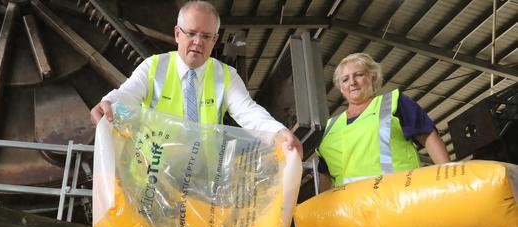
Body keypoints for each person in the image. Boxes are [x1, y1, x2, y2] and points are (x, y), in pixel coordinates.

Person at [89, 0, 303, 156]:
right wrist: (108, 103)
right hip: (153, 179)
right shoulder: (154, 66)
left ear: (215, 40)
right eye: (191, 33)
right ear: (177, 34)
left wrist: (280, 133)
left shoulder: (226, 76)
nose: (198, 42)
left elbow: (248, 112)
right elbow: (128, 93)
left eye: (206, 36)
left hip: (202, 182)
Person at [316, 52, 449, 192]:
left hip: (397, 198)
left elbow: (428, 136)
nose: (352, 82)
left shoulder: (393, 103)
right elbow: (325, 173)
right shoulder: (331, 126)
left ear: (373, 78)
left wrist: (449, 178)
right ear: (342, 89)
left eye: (359, 75)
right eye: (345, 79)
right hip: (351, 209)